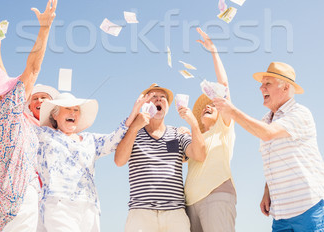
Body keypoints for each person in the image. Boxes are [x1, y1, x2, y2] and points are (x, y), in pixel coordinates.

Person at [0, 0, 57, 232]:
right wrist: (45, 27)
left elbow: (1, 95)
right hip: (17, 198)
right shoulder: (8, 113)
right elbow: (34, 67)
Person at [213, 62, 324, 232]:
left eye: (267, 84)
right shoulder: (266, 119)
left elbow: (268, 133)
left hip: (310, 207)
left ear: (285, 88)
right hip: (281, 214)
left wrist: (232, 112)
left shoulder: (300, 113)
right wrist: (267, 190)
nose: (261, 88)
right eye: (261, 84)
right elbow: (274, 158)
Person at [35, 92, 147, 232]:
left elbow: (115, 138)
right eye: (68, 109)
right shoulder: (43, 135)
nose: (73, 113)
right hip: (58, 203)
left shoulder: (90, 140)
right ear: (55, 115)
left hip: (89, 206)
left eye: (76, 110)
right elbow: (16, 125)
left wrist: (134, 112)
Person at [115, 84, 207, 232]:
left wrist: (193, 124)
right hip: (141, 213)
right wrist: (133, 128)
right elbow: (119, 161)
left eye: (162, 97)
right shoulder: (133, 133)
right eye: (153, 97)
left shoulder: (178, 134)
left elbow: (200, 155)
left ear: (168, 106)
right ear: (145, 105)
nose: (158, 99)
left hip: (175, 214)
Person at [184, 28, 237, 232]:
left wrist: (213, 50)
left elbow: (224, 86)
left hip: (216, 196)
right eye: (206, 106)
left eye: (213, 106)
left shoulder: (224, 129)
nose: (208, 106)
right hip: (190, 205)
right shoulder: (195, 137)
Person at [0, 27, 60, 126]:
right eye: (34, 98)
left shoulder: (62, 126)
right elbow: (6, 90)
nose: (39, 100)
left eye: (43, 97)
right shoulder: (24, 120)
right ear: (29, 107)